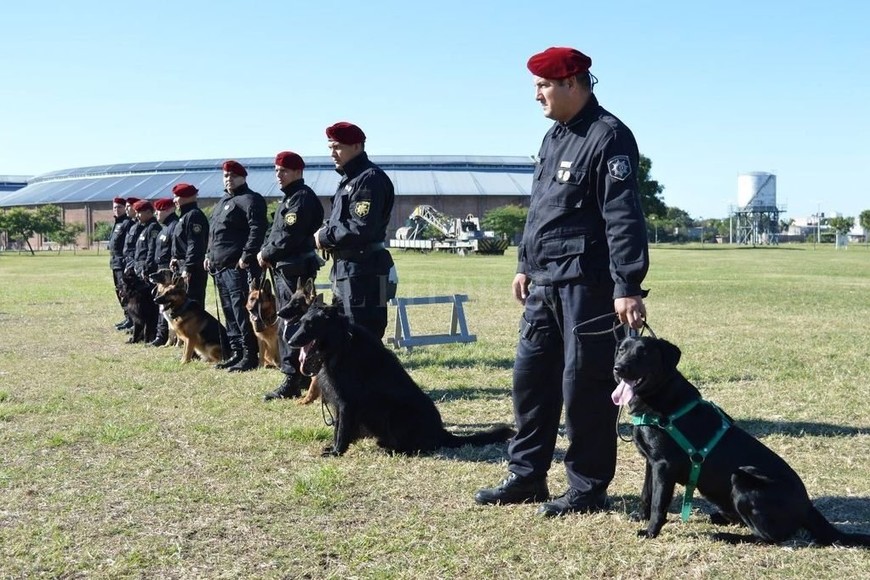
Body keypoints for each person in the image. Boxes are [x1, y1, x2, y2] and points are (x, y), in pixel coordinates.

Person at [474, 47, 650, 516]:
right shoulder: (555, 136)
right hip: (544, 282)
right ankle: (526, 475)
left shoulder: (608, 136)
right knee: (530, 382)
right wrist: (524, 262)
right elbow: (541, 210)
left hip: (586, 286)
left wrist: (627, 285)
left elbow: (623, 218)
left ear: (572, 82)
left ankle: (587, 488)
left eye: (543, 86)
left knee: (585, 388)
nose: (537, 96)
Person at [315, 122, 397, 339]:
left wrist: (324, 236)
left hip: (364, 270)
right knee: (345, 335)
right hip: (347, 268)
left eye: (338, 147)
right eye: (330, 148)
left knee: (362, 335)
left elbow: (360, 228)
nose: (333, 153)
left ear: (357, 146)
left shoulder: (368, 179)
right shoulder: (349, 179)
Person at [257, 151, 325, 401]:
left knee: (292, 321)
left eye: (283, 171)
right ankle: (297, 373)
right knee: (290, 321)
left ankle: (293, 377)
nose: (278, 175)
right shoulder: (289, 200)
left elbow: (289, 236)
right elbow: (274, 232)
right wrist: (265, 251)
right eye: (276, 171)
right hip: (285, 267)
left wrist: (267, 252)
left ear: (297, 172)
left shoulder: (301, 199)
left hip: (296, 268)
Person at [205, 160, 268, 372]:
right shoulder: (222, 201)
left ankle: (250, 354)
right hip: (219, 266)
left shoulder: (250, 200)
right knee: (229, 312)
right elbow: (214, 233)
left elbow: (257, 229)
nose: (228, 179)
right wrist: (208, 254)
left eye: (233, 176)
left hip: (238, 267)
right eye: (225, 176)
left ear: (243, 177)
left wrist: (247, 256)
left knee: (242, 313)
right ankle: (236, 352)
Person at [170, 183, 209, 307]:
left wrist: (188, 268)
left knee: (191, 305)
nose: (174, 200)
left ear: (186, 197)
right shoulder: (184, 216)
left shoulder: (194, 216)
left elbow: (195, 245)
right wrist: (175, 258)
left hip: (193, 269)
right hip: (182, 266)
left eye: (176, 196)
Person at [149, 197, 179, 346]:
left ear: (169, 209)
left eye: (159, 210)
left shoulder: (174, 226)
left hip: (169, 272)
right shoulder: (164, 228)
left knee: (169, 305)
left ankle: (172, 337)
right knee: (162, 305)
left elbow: (175, 249)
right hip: (161, 269)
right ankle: (163, 335)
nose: (156, 214)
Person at [108, 196, 133, 330]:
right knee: (119, 291)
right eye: (114, 207)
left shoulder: (127, 223)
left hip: (122, 262)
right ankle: (126, 316)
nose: (116, 210)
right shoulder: (117, 223)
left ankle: (131, 318)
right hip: (115, 262)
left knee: (125, 291)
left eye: (119, 207)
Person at [132, 199, 161, 282]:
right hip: (139, 266)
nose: (136, 215)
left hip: (146, 267)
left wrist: (147, 268)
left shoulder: (153, 227)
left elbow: (152, 249)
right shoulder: (145, 227)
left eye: (139, 212)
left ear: (148, 212)